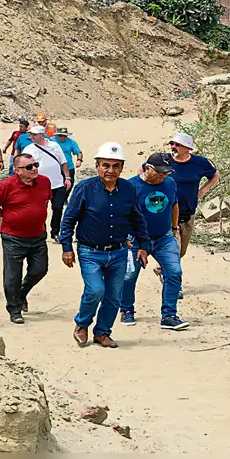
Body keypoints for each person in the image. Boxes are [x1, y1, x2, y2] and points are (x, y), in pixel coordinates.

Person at [60, 142, 149, 349]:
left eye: (115, 166)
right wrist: (66, 247)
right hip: (90, 251)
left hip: (119, 251)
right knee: (95, 290)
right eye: (105, 165)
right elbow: (69, 219)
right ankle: (82, 324)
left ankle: (102, 332)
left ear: (122, 167)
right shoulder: (84, 188)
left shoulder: (128, 189)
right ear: (97, 166)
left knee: (113, 296)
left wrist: (144, 245)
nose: (110, 170)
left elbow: (137, 219)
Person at [120, 153, 189, 330]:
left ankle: (169, 315)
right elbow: (123, 214)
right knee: (129, 275)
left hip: (164, 237)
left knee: (174, 272)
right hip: (135, 239)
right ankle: (126, 309)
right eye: (159, 173)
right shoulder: (131, 186)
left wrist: (174, 229)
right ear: (148, 168)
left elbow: (174, 205)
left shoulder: (169, 183)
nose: (162, 177)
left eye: (166, 173)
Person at [0, 153, 52, 324]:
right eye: (29, 167)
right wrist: (7, 217)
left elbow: (44, 202)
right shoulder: (5, 186)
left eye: (35, 165)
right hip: (13, 237)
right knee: (12, 275)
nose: (34, 169)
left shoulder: (45, 182)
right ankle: (14, 309)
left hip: (38, 235)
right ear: (17, 170)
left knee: (40, 269)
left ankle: (21, 293)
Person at [167, 133, 220, 258]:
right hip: (167, 212)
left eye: (178, 145)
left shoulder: (199, 163)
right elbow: (144, 170)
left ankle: (166, 270)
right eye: (172, 144)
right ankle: (166, 272)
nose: (174, 147)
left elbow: (215, 175)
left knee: (181, 252)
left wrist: (202, 191)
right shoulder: (164, 160)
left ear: (188, 148)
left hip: (188, 213)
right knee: (173, 250)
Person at [22, 125, 70, 241]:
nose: (31, 137)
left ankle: (55, 232)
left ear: (41, 135)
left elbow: (63, 162)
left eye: (34, 134)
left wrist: (67, 177)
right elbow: (23, 166)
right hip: (39, 184)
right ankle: (40, 232)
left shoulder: (54, 146)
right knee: (40, 209)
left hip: (57, 183)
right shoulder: (29, 149)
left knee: (58, 208)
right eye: (30, 134)